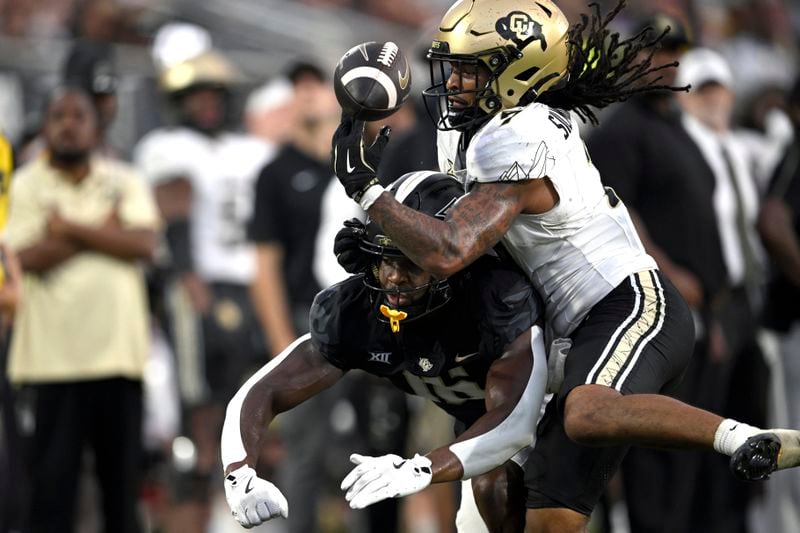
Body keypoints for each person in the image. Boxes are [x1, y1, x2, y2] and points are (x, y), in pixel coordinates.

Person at [329, 1, 800, 531]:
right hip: (564, 336)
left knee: (587, 413)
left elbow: (451, 249)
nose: (455, 81)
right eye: (453, 65)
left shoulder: (521, 136)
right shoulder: (475, 127)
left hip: (627, 303)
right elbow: (449, 237)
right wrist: (381, 243)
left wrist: (368, 192)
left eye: (470, 69)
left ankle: (743, 438)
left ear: (518, 73)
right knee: (525, 504)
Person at [222, 171, 548, 532]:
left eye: (411, 259)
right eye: (385, 260)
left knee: (520, 500)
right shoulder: (358, 309)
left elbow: (517, 419)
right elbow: (263, 389)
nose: (393, 277)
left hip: (548, 411)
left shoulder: (496, 296)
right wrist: (239, 473)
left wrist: (419, 467)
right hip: (483, 431)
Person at [5, 85, 159, 533]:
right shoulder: (25, 182)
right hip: (51, 364)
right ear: (46, 125)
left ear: (97, 127)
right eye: (59, 116)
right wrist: (105, 231)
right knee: (51, 495)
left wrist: (67, 227)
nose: (68, 124)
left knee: (121, 495)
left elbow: (144, 243)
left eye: (79, 116)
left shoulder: (125, 178)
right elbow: (24, 257)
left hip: (117, 360)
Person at [132, 46, 272, 530]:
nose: (206, 104)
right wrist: (191, 281)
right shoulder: (166, 147)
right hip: (200, 286)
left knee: (252, 404)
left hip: (252, 283)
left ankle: (237, 511)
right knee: (199, 405)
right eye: (195, 95)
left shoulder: (252, 149)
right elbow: (174, 214)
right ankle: (193, 507)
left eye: (214, 94)